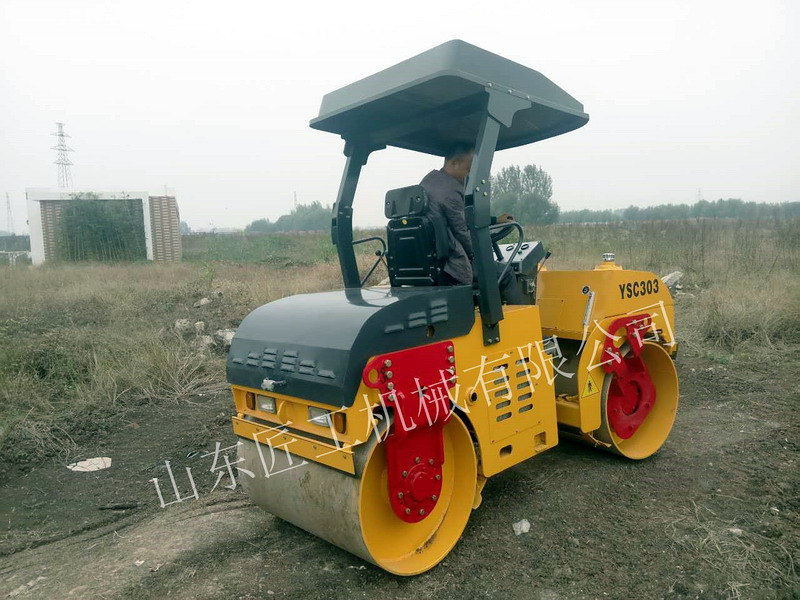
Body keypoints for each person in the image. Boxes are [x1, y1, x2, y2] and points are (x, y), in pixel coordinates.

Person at [420, 144, 527, 304]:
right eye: (468, 169)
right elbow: (463, 234)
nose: (468, 175)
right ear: (454, 163)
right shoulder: (451, 191)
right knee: (506, 273)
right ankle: (521, 319)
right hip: (451, 267)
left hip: (431, 264)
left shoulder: (429, 182)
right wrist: (480, 249)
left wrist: (495, 220)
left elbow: (462, 217)